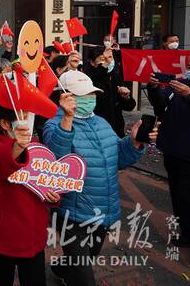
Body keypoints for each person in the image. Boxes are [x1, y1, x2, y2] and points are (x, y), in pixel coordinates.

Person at [43, 70, 152, 286]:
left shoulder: (101, 122)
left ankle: (62, 269)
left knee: (85, 258)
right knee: (83, 276)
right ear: (65, 97)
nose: (90, 99)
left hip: (103, 210)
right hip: (72, 214)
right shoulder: (54, 125)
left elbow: (118, 159)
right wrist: (67, 118)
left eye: (92, 94)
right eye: (83, 95)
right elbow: (56, 161)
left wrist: (134, 143)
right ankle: (70, 271)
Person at [0, 103, 60, 286]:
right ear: (5, 123)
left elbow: (49, 180)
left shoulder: (37, 147)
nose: (28, 120)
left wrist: (53, 195)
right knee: (0, 281)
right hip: (1, 236)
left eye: (29, 115)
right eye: (22, 115)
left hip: (33, 235)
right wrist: (17, 147)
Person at [147, 50, 190, 265]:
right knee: (179, 198)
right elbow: (161, 105)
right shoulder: (179, 83)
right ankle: (188, 234)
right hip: (172, 151)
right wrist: (153, 88)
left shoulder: (189, 89)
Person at [84, 47, 136, 137]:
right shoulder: (87, 78)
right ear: (92, 62)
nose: (108, 61)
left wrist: (127, 97)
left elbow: (129, 107)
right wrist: (104, 67)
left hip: (116, 130)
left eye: (110, 58)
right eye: (103, 59)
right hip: (96, 129)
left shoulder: (115, 77)